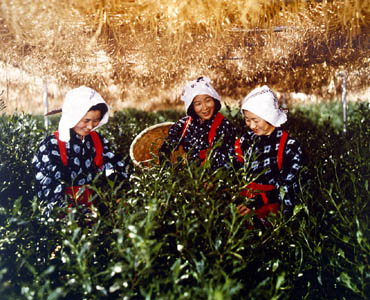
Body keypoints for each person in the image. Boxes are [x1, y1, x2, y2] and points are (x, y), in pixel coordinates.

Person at [32, 86, 129, 217]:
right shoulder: (51, 145)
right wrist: (75, 213)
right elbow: (48, 187)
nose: (90, 127)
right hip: (66, 218)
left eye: (96, 121)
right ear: (73, 116)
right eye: (86, 120)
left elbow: (115, 168)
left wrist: (118, 196)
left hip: (97, 212)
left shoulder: (97, 140)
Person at [234, 85, 308, 224]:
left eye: (255, 120)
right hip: (245, 207)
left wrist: (256, 206)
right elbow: (234, 172)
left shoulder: (288, 146)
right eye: (247, 120)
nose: (251, 125)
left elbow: (290, 187)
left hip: (272, 212)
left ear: (269, 116)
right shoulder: (245, 141)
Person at [159, 76, 236, 169]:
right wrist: (167, 170)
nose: (204, 107)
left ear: (214, 100)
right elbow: (166, 149)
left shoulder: (224, 126)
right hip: (190, 174)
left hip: (214, 176)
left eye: (208, 101)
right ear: (192, 107)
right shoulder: (184, 124)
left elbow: (225, 160)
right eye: (198, 104)